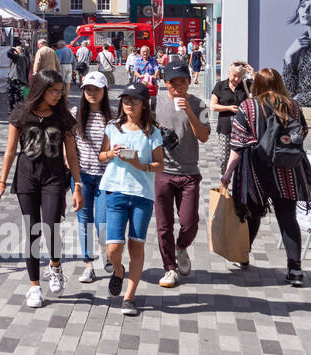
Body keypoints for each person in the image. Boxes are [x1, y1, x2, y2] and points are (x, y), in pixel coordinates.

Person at [221, 68, 311, 285]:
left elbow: (237, 144)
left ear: (257, 85)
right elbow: (302, 133)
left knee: (252, 213)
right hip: (288, 170)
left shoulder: (248, 107)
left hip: (255, 169)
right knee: (287, 218)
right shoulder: (292, 106)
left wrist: (227, 172)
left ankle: (244, 255)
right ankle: (295, 269)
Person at [0, 69, 80, 307]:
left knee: (52, 225)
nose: (58, 95)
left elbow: (71, 155)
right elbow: (10, 151)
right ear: (41, 90)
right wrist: (1, 183)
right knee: (32, 231)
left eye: (60, 91)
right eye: (54, 91)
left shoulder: (63, 117)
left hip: (53, 178)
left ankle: (55, 266)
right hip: (26, 179)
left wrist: (78, 184)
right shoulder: (21, 114)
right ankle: (34, 287)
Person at [97, 82, 164, 316]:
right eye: (125, 99)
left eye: (134, 100)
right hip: (115, 191)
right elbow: (101, 156)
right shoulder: (113, 127)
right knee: (113, 248)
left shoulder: (153, 132)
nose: (128, 104)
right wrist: (111, 153)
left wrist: (140, 164)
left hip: (141, 196)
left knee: (136, 246)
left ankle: (130, 296)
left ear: (144, 104)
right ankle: (118, 270)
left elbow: (160, 165)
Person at [153, 63, 210, 288]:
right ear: (165, 82)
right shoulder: (155, 101)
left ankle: (181, 247)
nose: (178, 87)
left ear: (189, 82)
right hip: (163, 172)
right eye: (173, 82)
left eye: (182, 82)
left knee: (190, 222)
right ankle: (170, 268)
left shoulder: (199, 104)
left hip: (189, 172)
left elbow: (204, 137)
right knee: (163, 225)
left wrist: (189, 111)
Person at [74, 71, 114, 283]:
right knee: (84, 220)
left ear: (104, 90)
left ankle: (106, 252)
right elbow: (68, 145)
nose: (91, 93)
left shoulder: (114, 117)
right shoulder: (76, 114)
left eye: (96, 89)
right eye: (88, 89)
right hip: (81, 176)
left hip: (105, 178)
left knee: (102, 221)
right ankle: (88, 264)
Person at [210, 61, 254, 175]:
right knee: (224, 158)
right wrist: (228, 108)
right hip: (225, 127)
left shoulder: (246, 85)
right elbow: (212, 106)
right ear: (229, 73)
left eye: (239, 77)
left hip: (243, 128)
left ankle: (238, 183)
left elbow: (261, 86)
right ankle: (224, 181)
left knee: (242, 157)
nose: (236, 79)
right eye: (234, 75)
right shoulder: (220, 86)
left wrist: (252, 72)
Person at [281, 0, 311, 107]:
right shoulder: (299, 44)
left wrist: (297, 100)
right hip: (299, 112)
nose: (306, 11)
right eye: (303, 6)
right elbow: (288, 91)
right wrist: (288, 56)